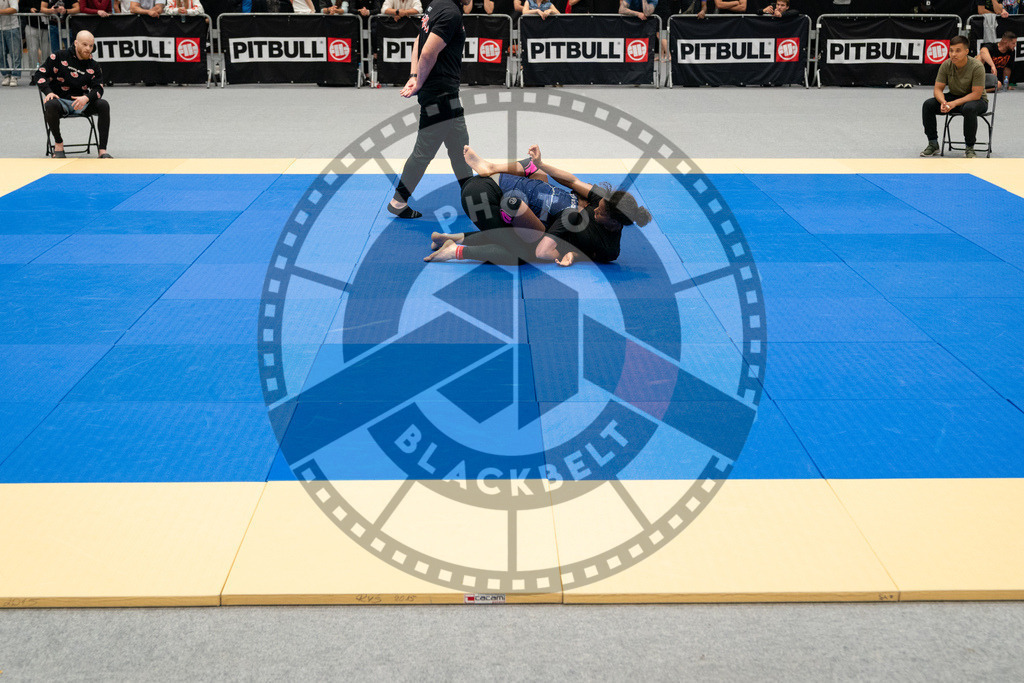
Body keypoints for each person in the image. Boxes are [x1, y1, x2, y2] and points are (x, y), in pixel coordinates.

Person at [426, 145, 652, 266]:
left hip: (483, 198)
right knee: (520, 254)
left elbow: (591, 254)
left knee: (521, 242)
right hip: (485, 195)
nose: (595, 209)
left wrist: (573, 254)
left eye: (600, 212)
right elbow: (571, 180)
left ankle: (453, 239)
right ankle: (452, 250)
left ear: (614, 221)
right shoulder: (595, 204)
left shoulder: (607, 247)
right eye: (598, 204)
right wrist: (542, 163)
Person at [386, 0, 471, 219]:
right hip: (439, 95)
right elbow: (426, 53)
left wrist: (415, 76)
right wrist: (419, 81)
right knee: (424, 151)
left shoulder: (437, 5)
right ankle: (398, 201)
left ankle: (474, 200)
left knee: (460, 148)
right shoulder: (450, 13)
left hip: (448, 94)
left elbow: (418, 40)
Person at [37, 30, 113, 158]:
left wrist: (86, 98)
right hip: (60, 101)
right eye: (84, 44)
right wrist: (48, 92)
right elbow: (39, 74)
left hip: (83, 103)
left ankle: (102, 150)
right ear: (76, 43)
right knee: (50, 104)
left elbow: (99, 89)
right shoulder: (59, 56)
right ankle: (58, 144)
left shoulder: (94, 65)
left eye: (91, 46)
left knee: (103, 105)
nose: (88, 48)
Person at [920, 35, 987, 158]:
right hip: (954, 97)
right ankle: (933, 143)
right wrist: (943, 102)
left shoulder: (977, 66)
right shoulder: (946, 64)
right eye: (951, 50)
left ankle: (970, 147)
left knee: (969, 108)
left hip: (976, 101)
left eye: (958, 51)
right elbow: (938, 89)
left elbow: (976, 94)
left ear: (966, 52)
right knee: (928, 105)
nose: (953, 54)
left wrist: (954, 103)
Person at [0, 0, 21, 87]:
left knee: (15, 53)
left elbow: (14, 9)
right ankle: (6, 75)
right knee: (1, 54)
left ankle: (15, 76)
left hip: (12, 27)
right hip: (0, 28)